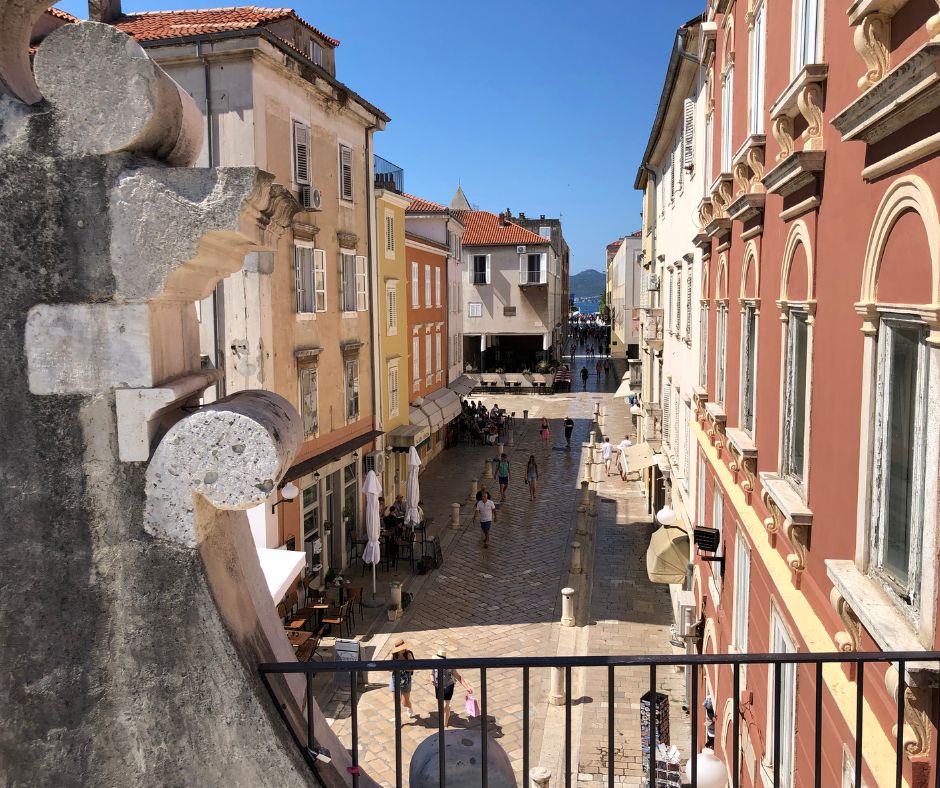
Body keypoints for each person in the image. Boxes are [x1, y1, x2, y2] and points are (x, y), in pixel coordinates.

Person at [430, 647, 473, 727]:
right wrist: (432, 679)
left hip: (448, 686)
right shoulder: (434, 665)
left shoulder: (450, 667)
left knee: (444, 706)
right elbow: (431, 674)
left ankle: (444, 725)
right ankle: (446, 710)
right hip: (438, 686)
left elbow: (459, 677)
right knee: (440, 705)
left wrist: (467, 687)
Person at [390, 639, 417, 719]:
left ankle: (409, 706)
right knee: (396, 700)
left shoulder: (408, 654)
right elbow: (390, 669)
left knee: (405, 702)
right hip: (395, 679)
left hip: (406, 680)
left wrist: (401, 667)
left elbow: (412, 669)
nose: (403, 649)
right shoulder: (394, 655)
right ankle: (397, 719)